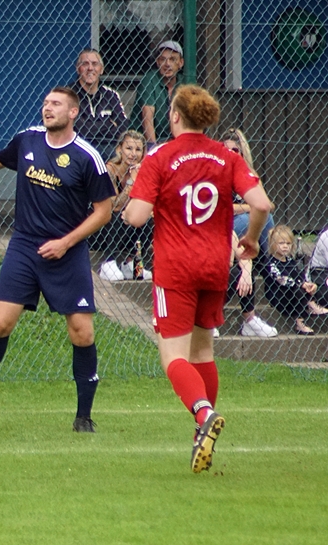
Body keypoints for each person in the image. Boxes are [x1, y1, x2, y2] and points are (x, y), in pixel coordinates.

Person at [123, 83, 272, 472]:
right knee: (203, 351)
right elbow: (262, 204)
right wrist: (251, 239)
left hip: (175, 268)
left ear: (173, 115)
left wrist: (135, 203)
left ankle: (204, 414)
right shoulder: (226, 156)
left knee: (172, 357)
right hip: (214, 266)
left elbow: (135, 217)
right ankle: (200, 434)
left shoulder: (160, 156)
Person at [0, 87, 115, 434]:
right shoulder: (27, 139)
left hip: (67, 252)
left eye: (55, 105)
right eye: (45, 104)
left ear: (73, 113)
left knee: (82, 333)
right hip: (24, 247)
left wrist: (66, 242)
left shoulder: (87, 157)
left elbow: (104, 211)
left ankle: (83, 416)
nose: (47, 109)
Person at [94, 130, 149, 281]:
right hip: (102, 229)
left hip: (126, 229)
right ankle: (108, 263)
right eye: (128, 148)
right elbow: (115, 205)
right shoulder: (110, 169)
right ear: (119, 149)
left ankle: (132, 263)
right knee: (118, 214)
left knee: (149, 218)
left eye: (138, 150)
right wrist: (132, 181)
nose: (133, 154)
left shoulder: (142, 171)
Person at [258, 225, 326, 336]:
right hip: (278, 296)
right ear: (273, 244)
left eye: (288, 243)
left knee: (306, 288)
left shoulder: (290, 261)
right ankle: (301, 321)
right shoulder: (270, 262)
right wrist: (300, 284)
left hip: (293, 294)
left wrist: (307, 284)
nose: (285, 246)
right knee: (299, 290)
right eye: (281, 243)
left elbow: (299, 275)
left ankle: (311, 304)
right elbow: (281, 280)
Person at [220, 128, 276, 253]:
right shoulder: (218, 173)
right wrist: (252, 208)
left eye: (234, 150)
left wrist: (257, 208)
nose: (230, 153)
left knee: (267, 218)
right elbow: (225, 208)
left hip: (246, 217)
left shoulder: (250, 173)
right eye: (226, 150)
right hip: (226, 222)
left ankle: (270, 262)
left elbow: (268, 205)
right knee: (247, 219)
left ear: (242, 152)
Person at [70, 48, 127, 161]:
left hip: (109, 151)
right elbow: (82, 131)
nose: (90, 68)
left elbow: (123, 127)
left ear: (101, 69)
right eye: (85, 64)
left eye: (95, 64)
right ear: (78, 69)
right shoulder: (68, 94)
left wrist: (89, 125)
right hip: (78, 150)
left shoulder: (111, 95)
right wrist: (109, 125)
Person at [132, 40, 184, 147]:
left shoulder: (184, 82)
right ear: (157, 62)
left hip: (174, 140)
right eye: (163, 59)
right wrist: (153, 148)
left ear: (180, 63)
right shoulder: (149, 80)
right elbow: (147, 119)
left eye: (172, 59)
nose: (167, 64)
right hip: (144, 141)